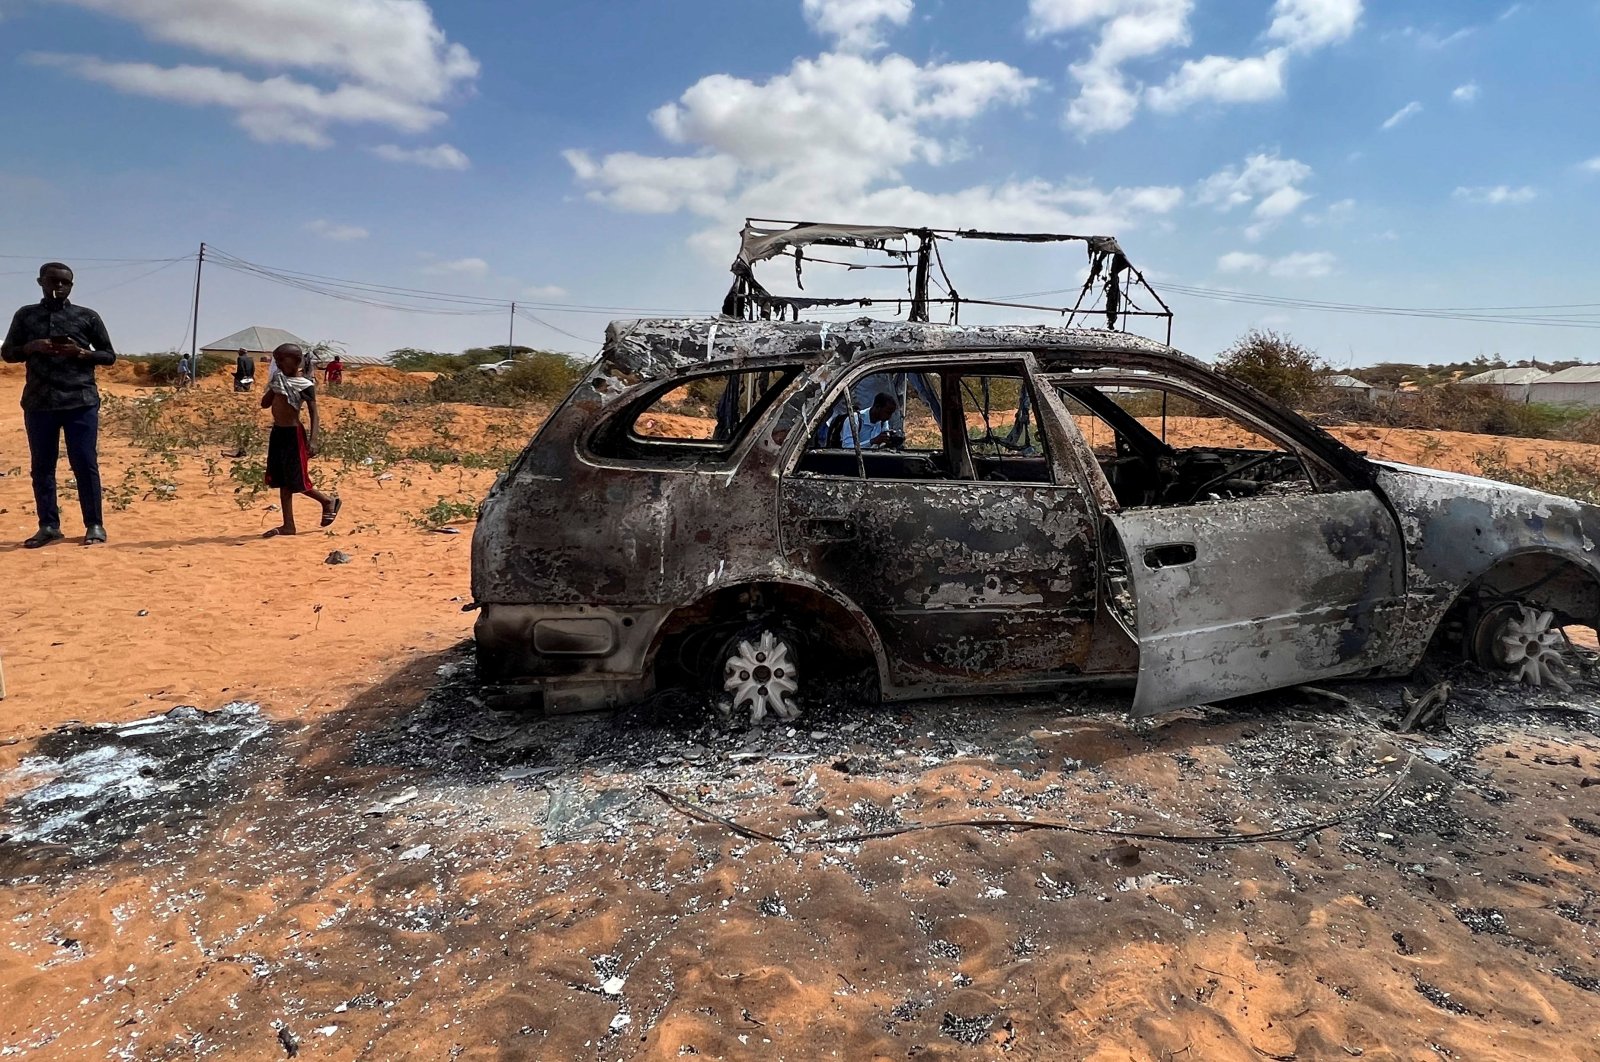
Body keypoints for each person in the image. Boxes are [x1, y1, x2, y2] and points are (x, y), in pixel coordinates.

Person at [1, 262, 116, 547]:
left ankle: (94, 525)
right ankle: (49, 526)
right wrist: (31, 347)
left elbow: (109, 355)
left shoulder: (87, 317)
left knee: (85, 463)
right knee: (42, 466)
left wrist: (80, 353)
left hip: (81, 401)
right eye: (53, 281)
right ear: (40, 282)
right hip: (39, 402)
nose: (59, 287)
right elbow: (8, 353)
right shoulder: (26, 316)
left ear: (71, 286)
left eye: (65, 283)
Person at [259, 343, 340, 537]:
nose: (278, 364)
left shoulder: (305, 384)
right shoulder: (278, 380)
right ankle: (288, 526)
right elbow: (264, 404)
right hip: (278, 433)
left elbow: (314, 413)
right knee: (282, 481)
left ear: (296, 361)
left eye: (282, 360)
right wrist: (274, 386)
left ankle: (327, 501)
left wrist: (313, 440)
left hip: (294, 435)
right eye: (276, 360)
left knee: (297, 480)